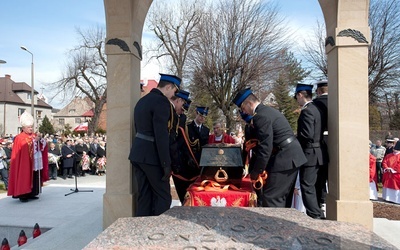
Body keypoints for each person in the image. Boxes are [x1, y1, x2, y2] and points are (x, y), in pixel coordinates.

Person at [233, 87, 307, 208]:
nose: (244, 112)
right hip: (289, 156)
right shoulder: (266, 111)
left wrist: (256, 172)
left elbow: (265, 147)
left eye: (243, 108)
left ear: (249, 103)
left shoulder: (260, 116)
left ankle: (273, 227)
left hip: (285, 158)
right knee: (281, 197)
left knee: (271, 198)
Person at [129, 73, 181, 216]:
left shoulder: (142, 101)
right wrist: (166, 163)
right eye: (174, 91)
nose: (174, 94)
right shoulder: (162, 102)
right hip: (152, 157)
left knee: (144, 195)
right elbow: (161, 135)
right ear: (169, 87)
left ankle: (141, 228)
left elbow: (138, 128)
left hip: (138, 154)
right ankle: (159, 231)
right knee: (163, 196)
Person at [295, 83, 326, 219]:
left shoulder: (307, 111)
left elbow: (307, 134)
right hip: (319, 152)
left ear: (300, 95)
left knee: (306, 186)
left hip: (310, 153)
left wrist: (296, 139)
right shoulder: (316, 109)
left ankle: (315, 215)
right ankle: (318, 211)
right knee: (315, 185)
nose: (297, 100)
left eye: (297, 97)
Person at [7, 111, 49, 202]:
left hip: (34, 161)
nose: (31, 129)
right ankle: (23, 194)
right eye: (29, 127)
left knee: (34, 176)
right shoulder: (19, 137)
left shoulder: (34, 135)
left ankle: (32, 193)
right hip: (24, 162)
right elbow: (24, 146)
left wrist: (40, 140)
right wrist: (34, 141)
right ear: (23, 128)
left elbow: (41, 145)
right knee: (24, 175)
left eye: (31, 127)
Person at [312, 80, 329, 211]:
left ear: (318, 91)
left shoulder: (316, 104)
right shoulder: (337, 101)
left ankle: (320, 201)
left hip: (321, 140)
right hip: (335, 141)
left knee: (319, 175)